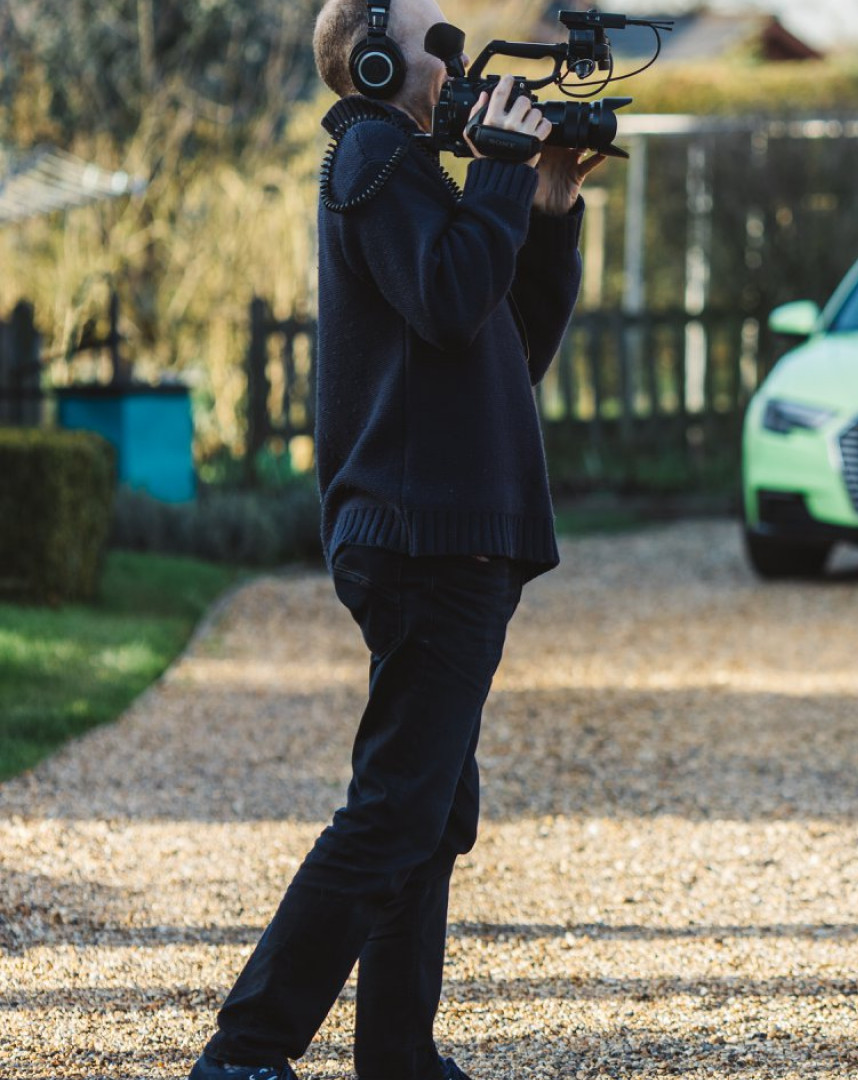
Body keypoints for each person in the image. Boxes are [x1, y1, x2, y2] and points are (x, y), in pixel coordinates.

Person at [188, 0, 604, 1077]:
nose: (461, 59)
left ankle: (396, 1058)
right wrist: (501, 171)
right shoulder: (372, 147)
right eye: (440, 43)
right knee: (394, 812)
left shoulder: (413, 170)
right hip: (425, 538)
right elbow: (451, 299)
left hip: (453, 535)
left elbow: (512, 341)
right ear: (374, 62)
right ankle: (246, 1049)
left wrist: (548, 200)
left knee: (432, 814)